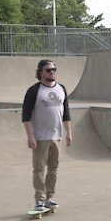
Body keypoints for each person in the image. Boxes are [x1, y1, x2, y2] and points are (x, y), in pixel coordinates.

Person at [22, 59, 72, 211]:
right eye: (48, 70)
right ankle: (39, 199)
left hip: (57, 136)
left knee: (53, 169)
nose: (52, 72)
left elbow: (66, 113)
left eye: (54, 69)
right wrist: (30, 136)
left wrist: (69, 133)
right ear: (41, 72)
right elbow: (26, 116)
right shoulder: (34, 91)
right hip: (40, 138)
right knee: (39, 169)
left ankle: (50, 197)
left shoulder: (61, 88)